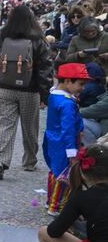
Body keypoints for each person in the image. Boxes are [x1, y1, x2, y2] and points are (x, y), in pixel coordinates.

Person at [0, 4, 55, 179]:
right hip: (30, 91)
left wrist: (3, 73)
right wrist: (45, 95)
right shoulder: (39, 40)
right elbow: (45, 70)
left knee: (4, 125)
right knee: (30, 127)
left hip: (5, 89)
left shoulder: (2, 38)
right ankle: (29, 161)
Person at [43, 63, 90, 216]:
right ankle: (56, 207)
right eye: (80, 84)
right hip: (64, 143)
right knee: (65, 174)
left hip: (53, 139)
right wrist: (72, 153)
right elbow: (68, 129)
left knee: (55, 171)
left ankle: (50, 201)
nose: (82, 88)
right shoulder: (67, 104)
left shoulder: (55, 95)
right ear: (68, 81)